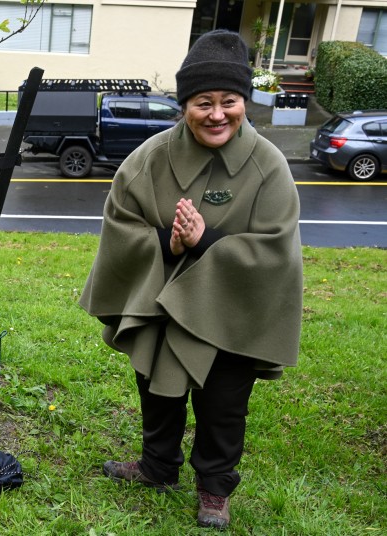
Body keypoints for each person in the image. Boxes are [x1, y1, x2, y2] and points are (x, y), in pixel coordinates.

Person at [79, 29, 303, 530]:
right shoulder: (150, 158)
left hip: (230, 310)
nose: (218, 114)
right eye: (204, 102)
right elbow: (120, 224)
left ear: (245, 102)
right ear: (185, 105)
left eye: (230, 101)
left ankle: (214, 489)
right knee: (158, 389)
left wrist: (207, 242)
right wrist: (168, 243)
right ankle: (157, 467)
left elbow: (276, 249)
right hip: (162, 302)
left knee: (223, 405)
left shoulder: (269, 166)